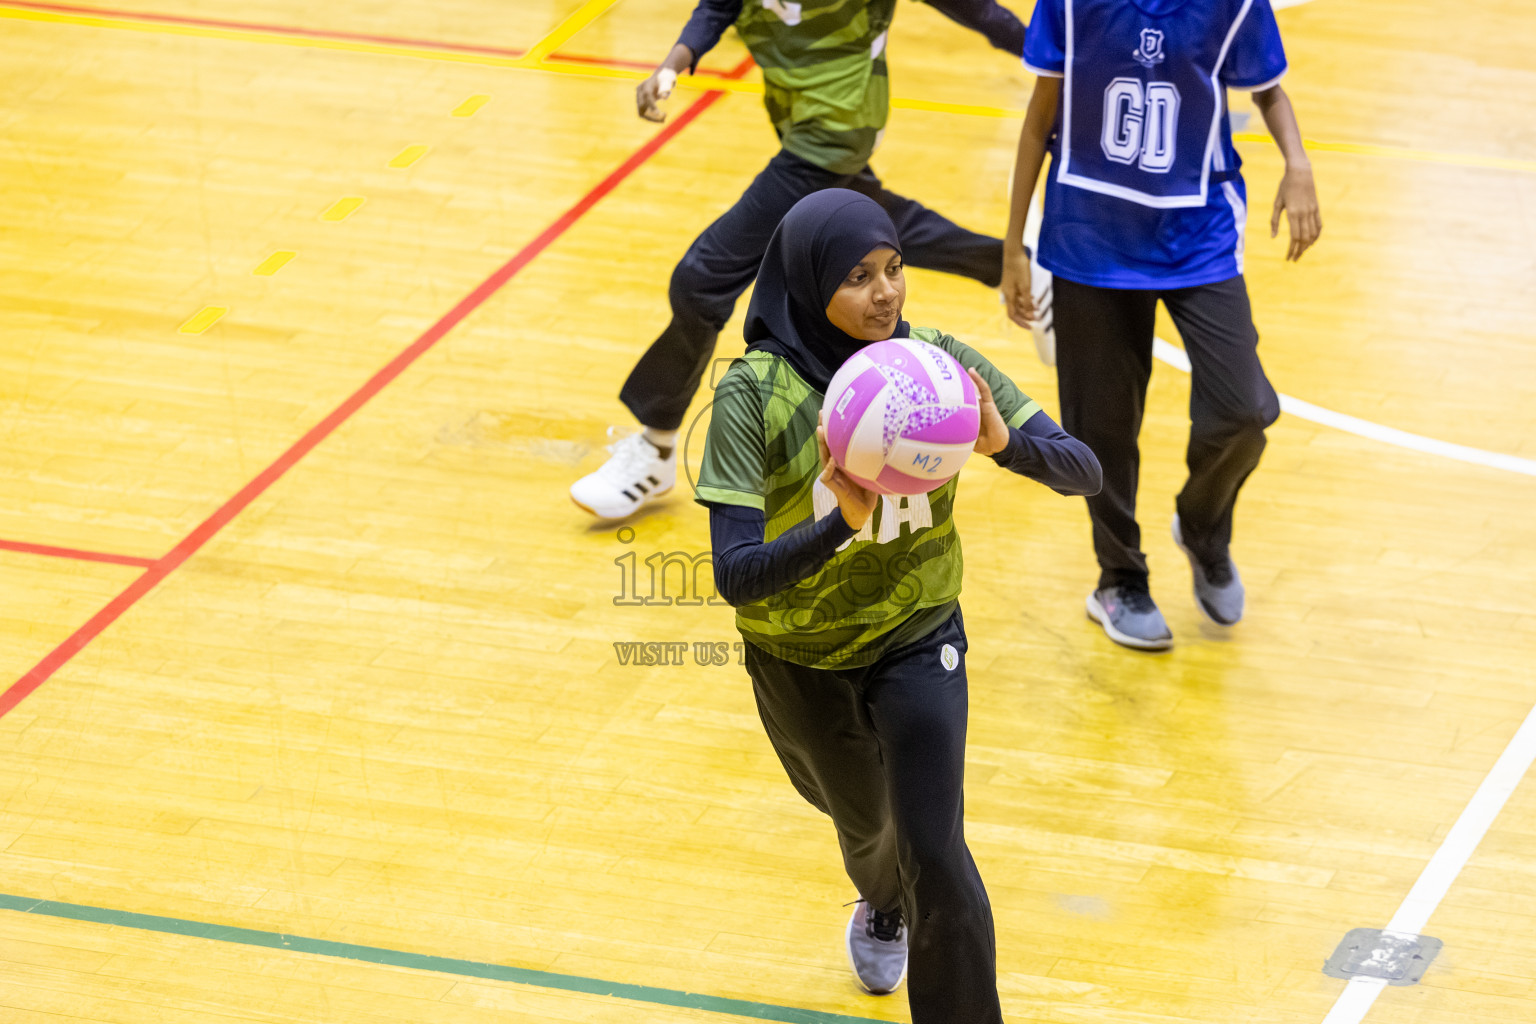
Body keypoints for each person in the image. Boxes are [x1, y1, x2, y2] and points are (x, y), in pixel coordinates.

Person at [695, 189, 1100, 1017]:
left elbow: (1083, 470)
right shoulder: (752, 396)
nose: (886, 292)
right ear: (808, 287)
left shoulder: (940, 368)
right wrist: (839, 525)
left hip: (919, 638)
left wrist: (1007, 444)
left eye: (894, 268)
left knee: (935, 851)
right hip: (797, 656)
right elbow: (734, 575)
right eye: (858, 277)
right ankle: (880, 896)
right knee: (873, 835)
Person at [571, 0, 1030, 521]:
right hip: (804, 124)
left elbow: (978, 11)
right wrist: (672, 65)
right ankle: (1021, 267)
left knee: (702, 280)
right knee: (870, 225)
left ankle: (654, 448)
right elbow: (717, 7)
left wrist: (1057, 61)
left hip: (831, 133)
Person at [1000, 0, 1322, 650]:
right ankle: (1120, 580)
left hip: (1196, 231)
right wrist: (1013, 245)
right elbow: (1039, 119)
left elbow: (1268, 90)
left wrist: (1298, 163)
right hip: (1089, 234)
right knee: (1102, 430)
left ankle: (1202, 525)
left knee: (1246, 409)